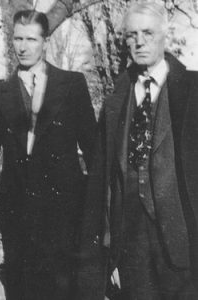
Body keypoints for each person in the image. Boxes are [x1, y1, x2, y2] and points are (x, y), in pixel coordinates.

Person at [0, 9, 97, 300]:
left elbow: (93, 148)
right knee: (21, 288)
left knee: (63, 288)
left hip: (64, 208)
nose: (23, 46)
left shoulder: (72, 85)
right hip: (17, 210)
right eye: (17, 38)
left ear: (44, 42)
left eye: (30, 39)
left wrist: (101, 201)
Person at [81, 2, 198, 299]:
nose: (140, 41)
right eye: (132, 35)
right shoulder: (115, 101)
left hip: (183, 242)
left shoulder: (193, 91)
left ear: (165, 35)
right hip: (130, 245)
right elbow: (103, 182)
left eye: (147, 32)